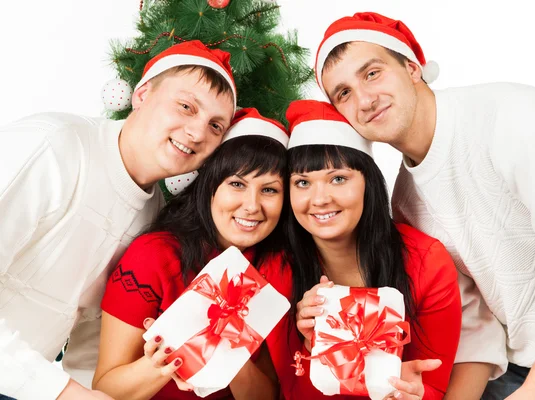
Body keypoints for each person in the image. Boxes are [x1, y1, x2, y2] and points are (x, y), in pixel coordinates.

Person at [314, 12, 535, 400]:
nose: (364, 100)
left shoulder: (515, 118)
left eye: (372, 73)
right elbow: (473, 315)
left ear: (412, 67)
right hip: (518, 369)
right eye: (343, 93)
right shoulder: (403, 200)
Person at [0, 40, 237, 400]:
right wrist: (63, 393)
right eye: (186, 106)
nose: (198, 132)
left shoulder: (153, 215)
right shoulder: (52, 147)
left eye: (216, 126)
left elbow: (92, 341)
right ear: (142, 94)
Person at [267, 99, 461, 400]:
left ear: (368, 182)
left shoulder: (425, 262)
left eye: (338, 179)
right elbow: (288, 392)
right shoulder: (277, 270)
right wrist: (311, 347)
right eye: (303, 182)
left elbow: (433, 385)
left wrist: (414, 394)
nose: (319, 199)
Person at [93, 108, 289, 400]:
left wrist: (229, 344)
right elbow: (106, 389)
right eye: (237, 184)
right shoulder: (155, 256)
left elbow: (266, 396)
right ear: (210, 186)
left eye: (270, 190)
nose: (252, 205)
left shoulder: (275, 268)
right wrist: (164, 360)